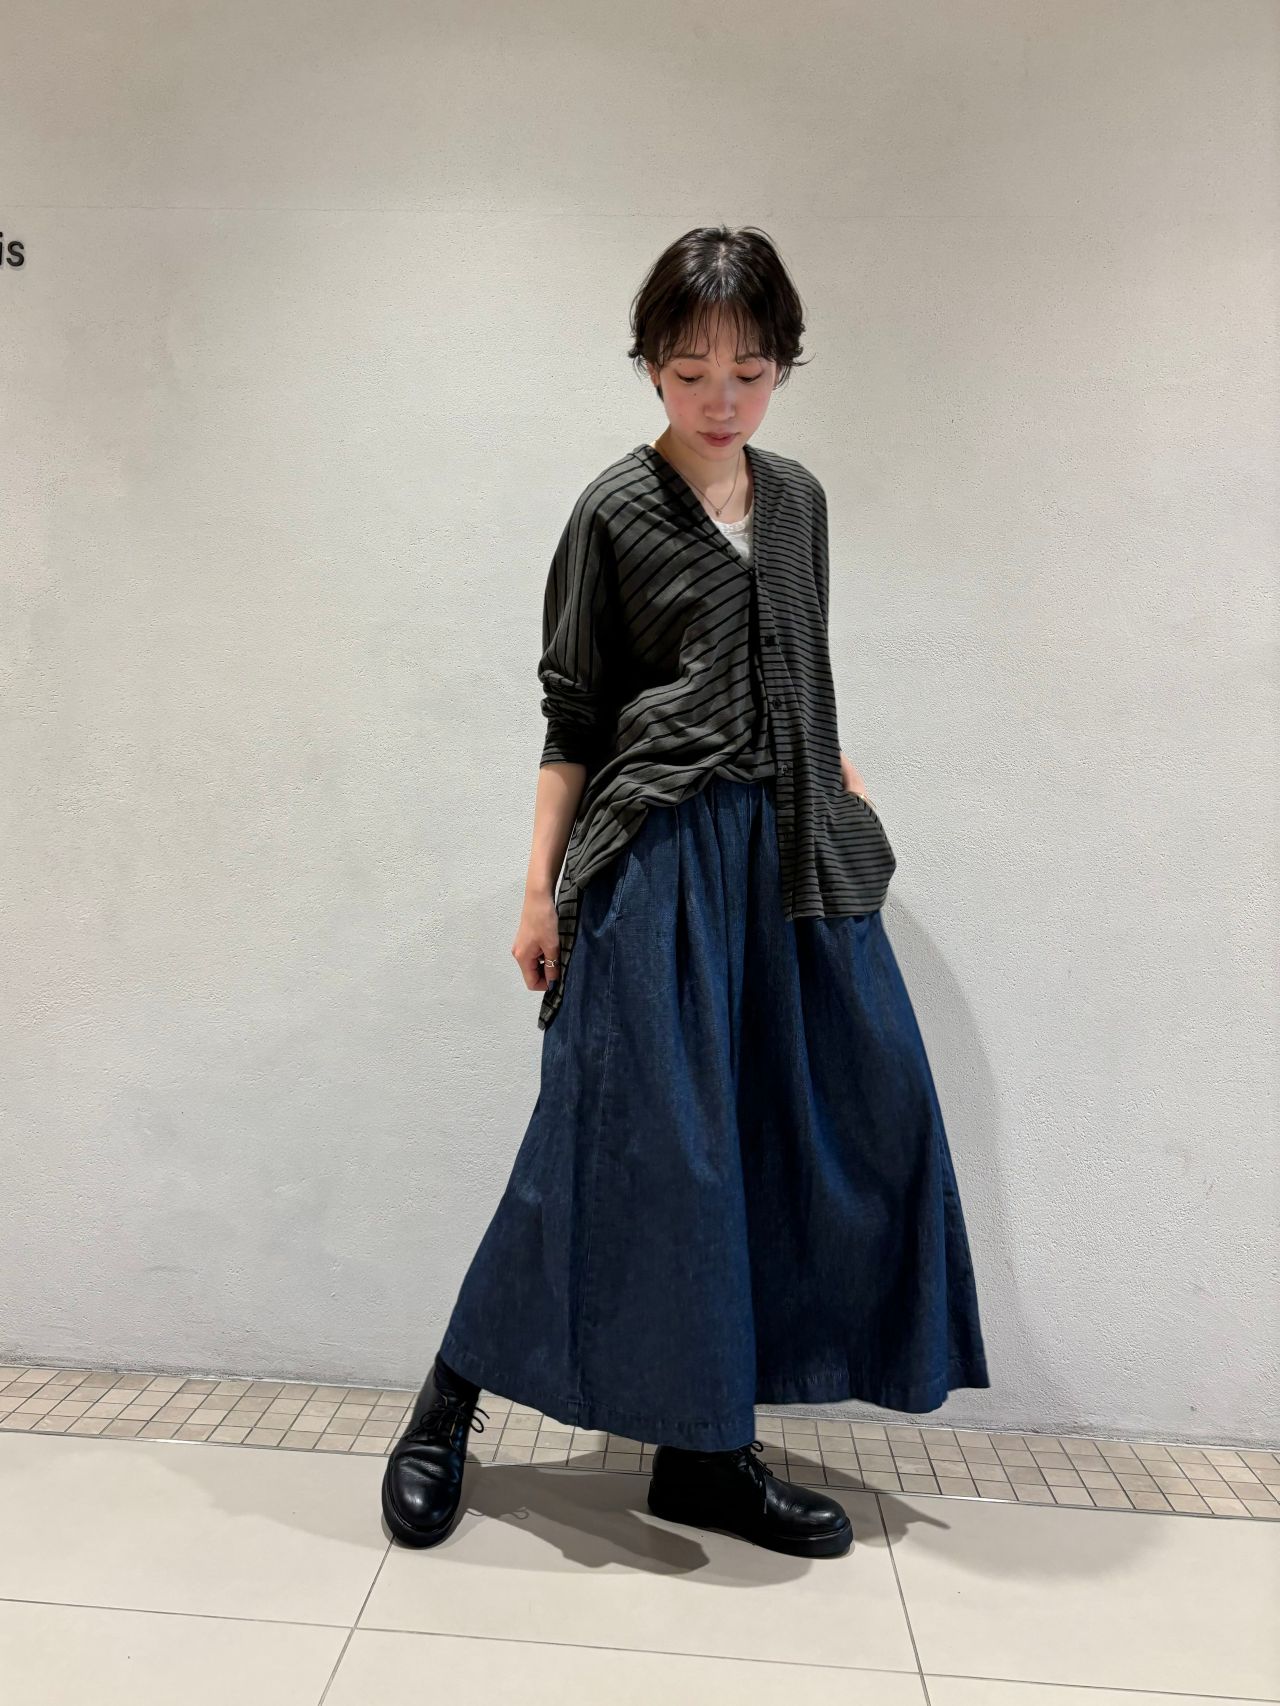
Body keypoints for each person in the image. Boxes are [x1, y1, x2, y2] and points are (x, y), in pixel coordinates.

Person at [382, 225, 990, 1561]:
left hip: (790, 858)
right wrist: (540, 895)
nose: (722, 399)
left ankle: (703, 1457)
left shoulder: (801, 504)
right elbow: (572, 721)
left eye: (750, 372)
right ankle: (445, 1405)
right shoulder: (612, 512)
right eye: (692, 371)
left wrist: (842, 787)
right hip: (657, 863)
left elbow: (804, 668)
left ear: (784, 367)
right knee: (622, 1151)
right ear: (652, 365)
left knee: (849, 1119)